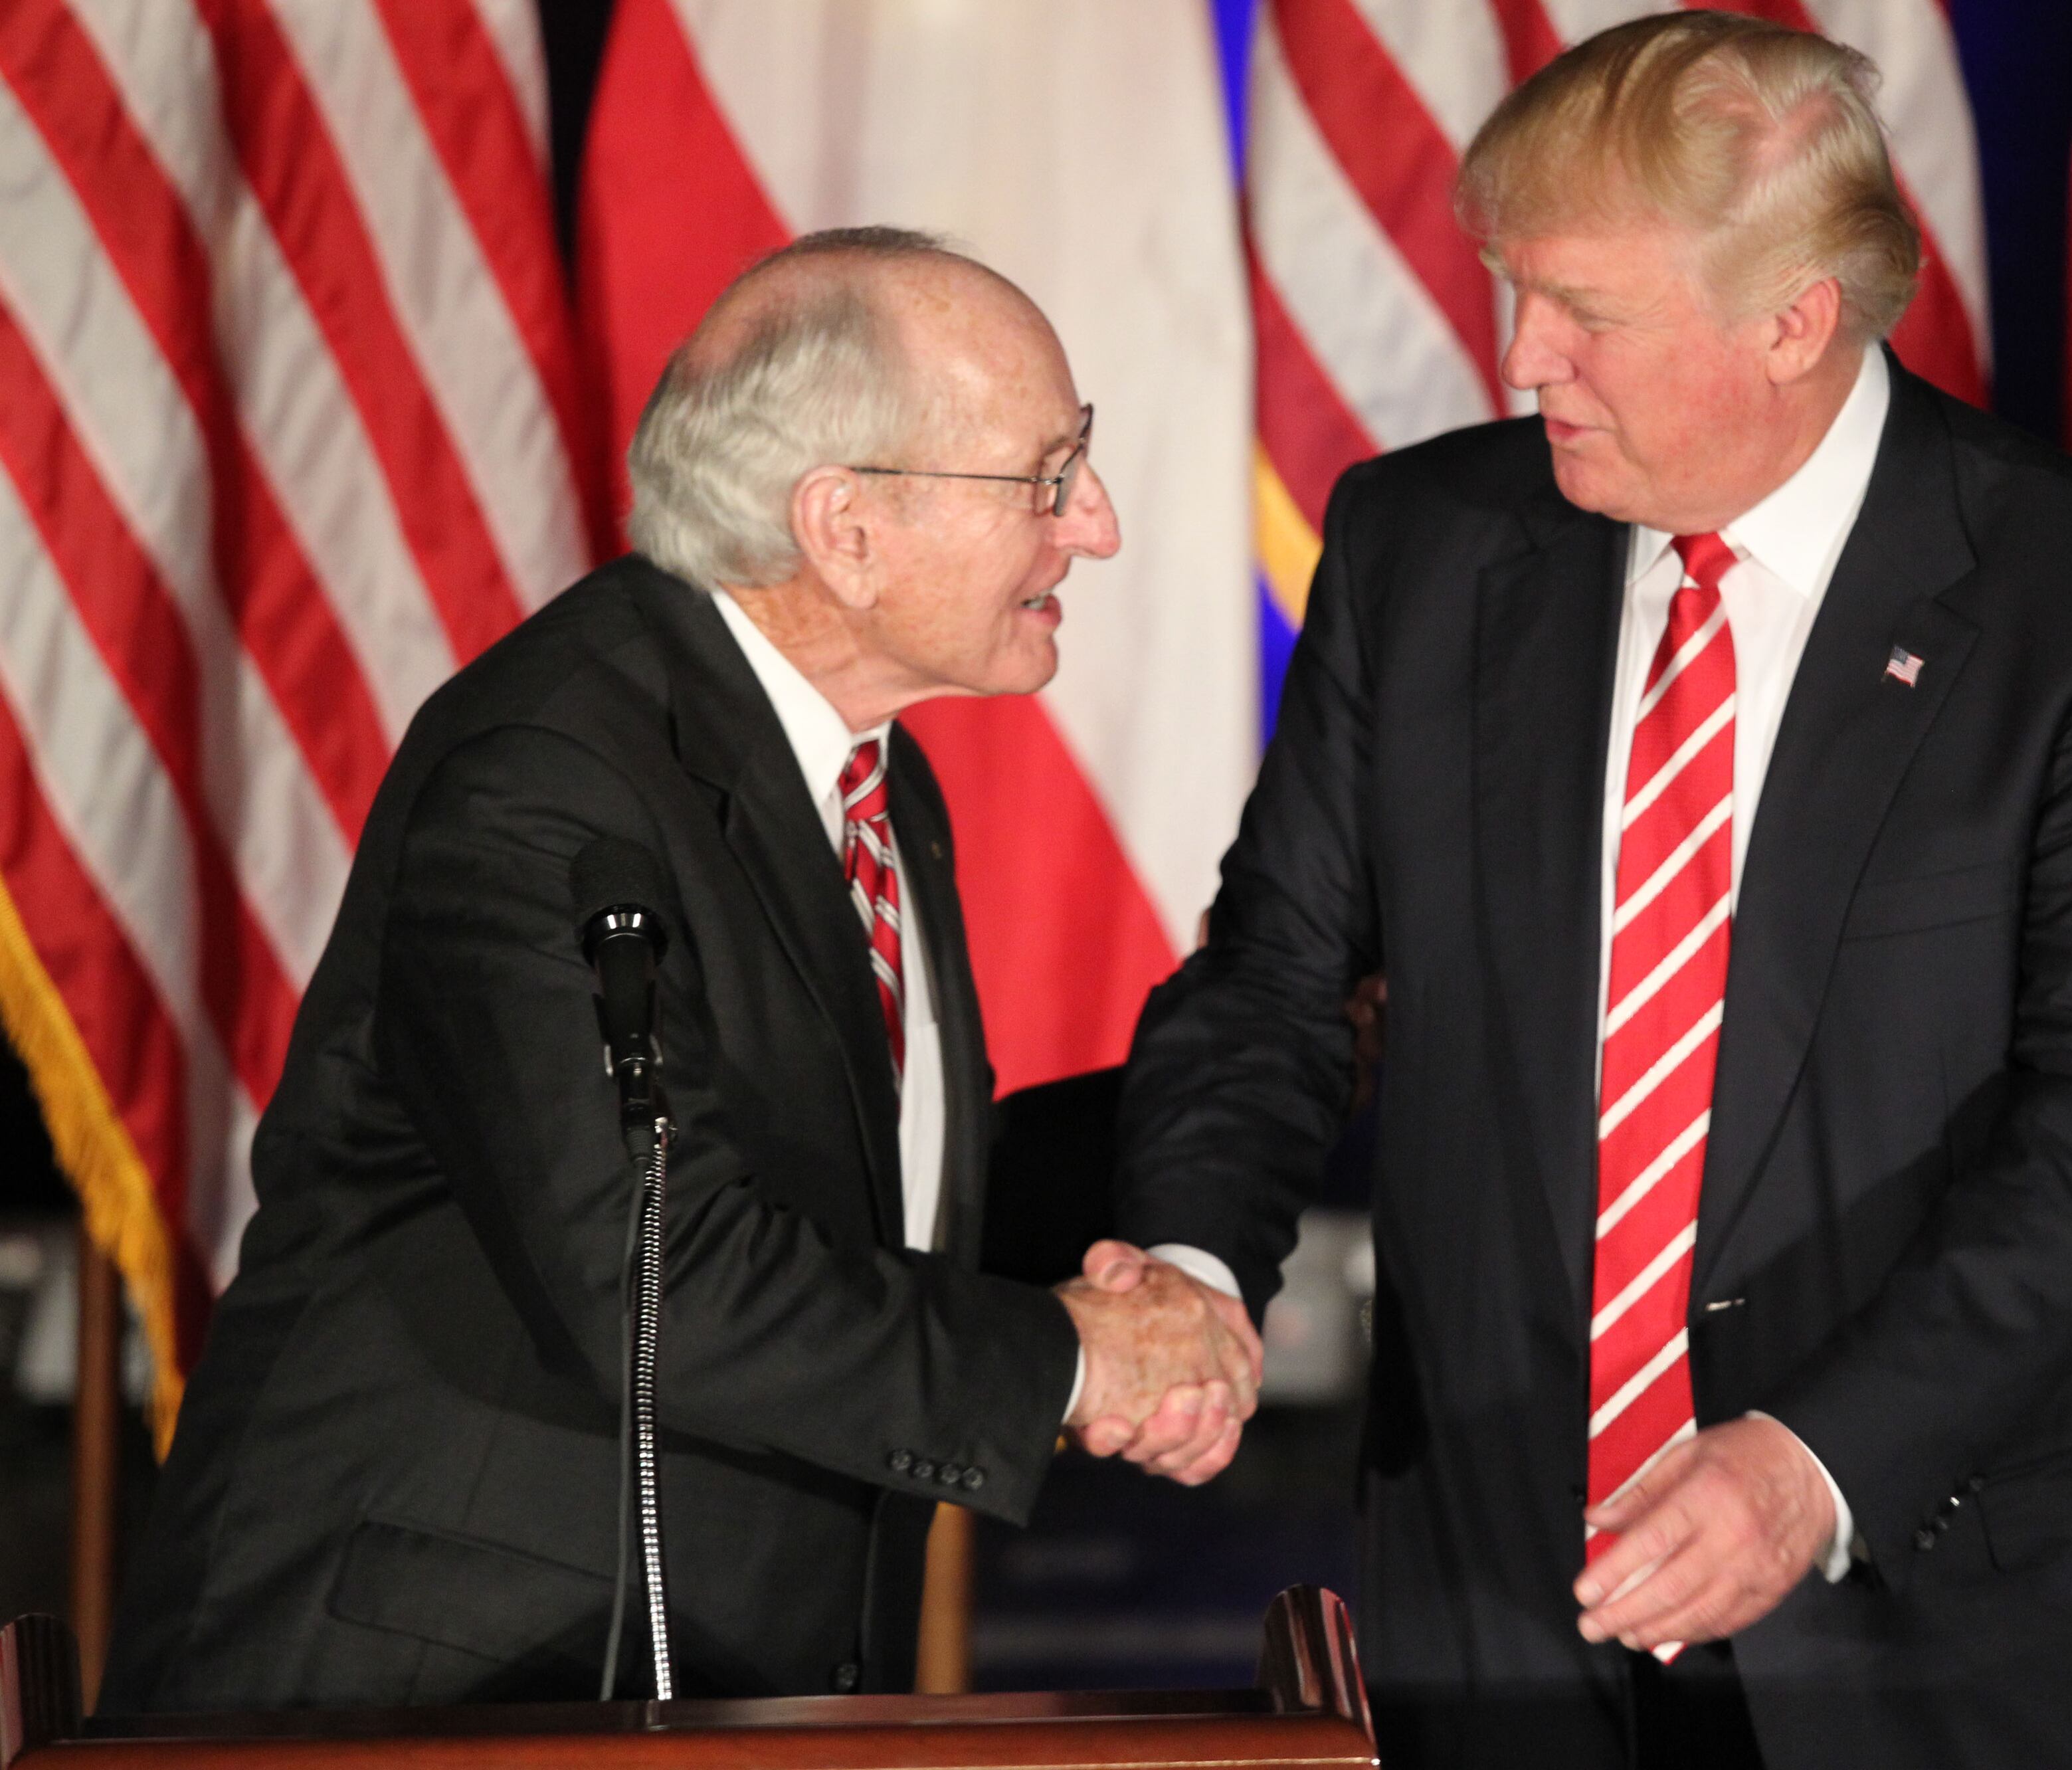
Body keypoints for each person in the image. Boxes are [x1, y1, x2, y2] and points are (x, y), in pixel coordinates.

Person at [1112, 15, 2072, 1769]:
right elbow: (1278, 973)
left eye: (1586, 312)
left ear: (1795, 321)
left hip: (1968, 1614)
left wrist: (1815, 1458)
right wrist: (1191, 1264)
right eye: (1513, 292)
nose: (1528, 356)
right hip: (1511, 1610)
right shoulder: (1423, 547)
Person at [100, 229, 1256, 1712]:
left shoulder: (869, 780)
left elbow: (867, 1195)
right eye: (1044, 473)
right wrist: (1075, 1364)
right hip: (435, 1697)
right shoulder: (555, 778)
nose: (1091, 522)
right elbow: (654, 1272)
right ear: (843, 527)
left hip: (707, 1687)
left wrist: (1226, 1096)